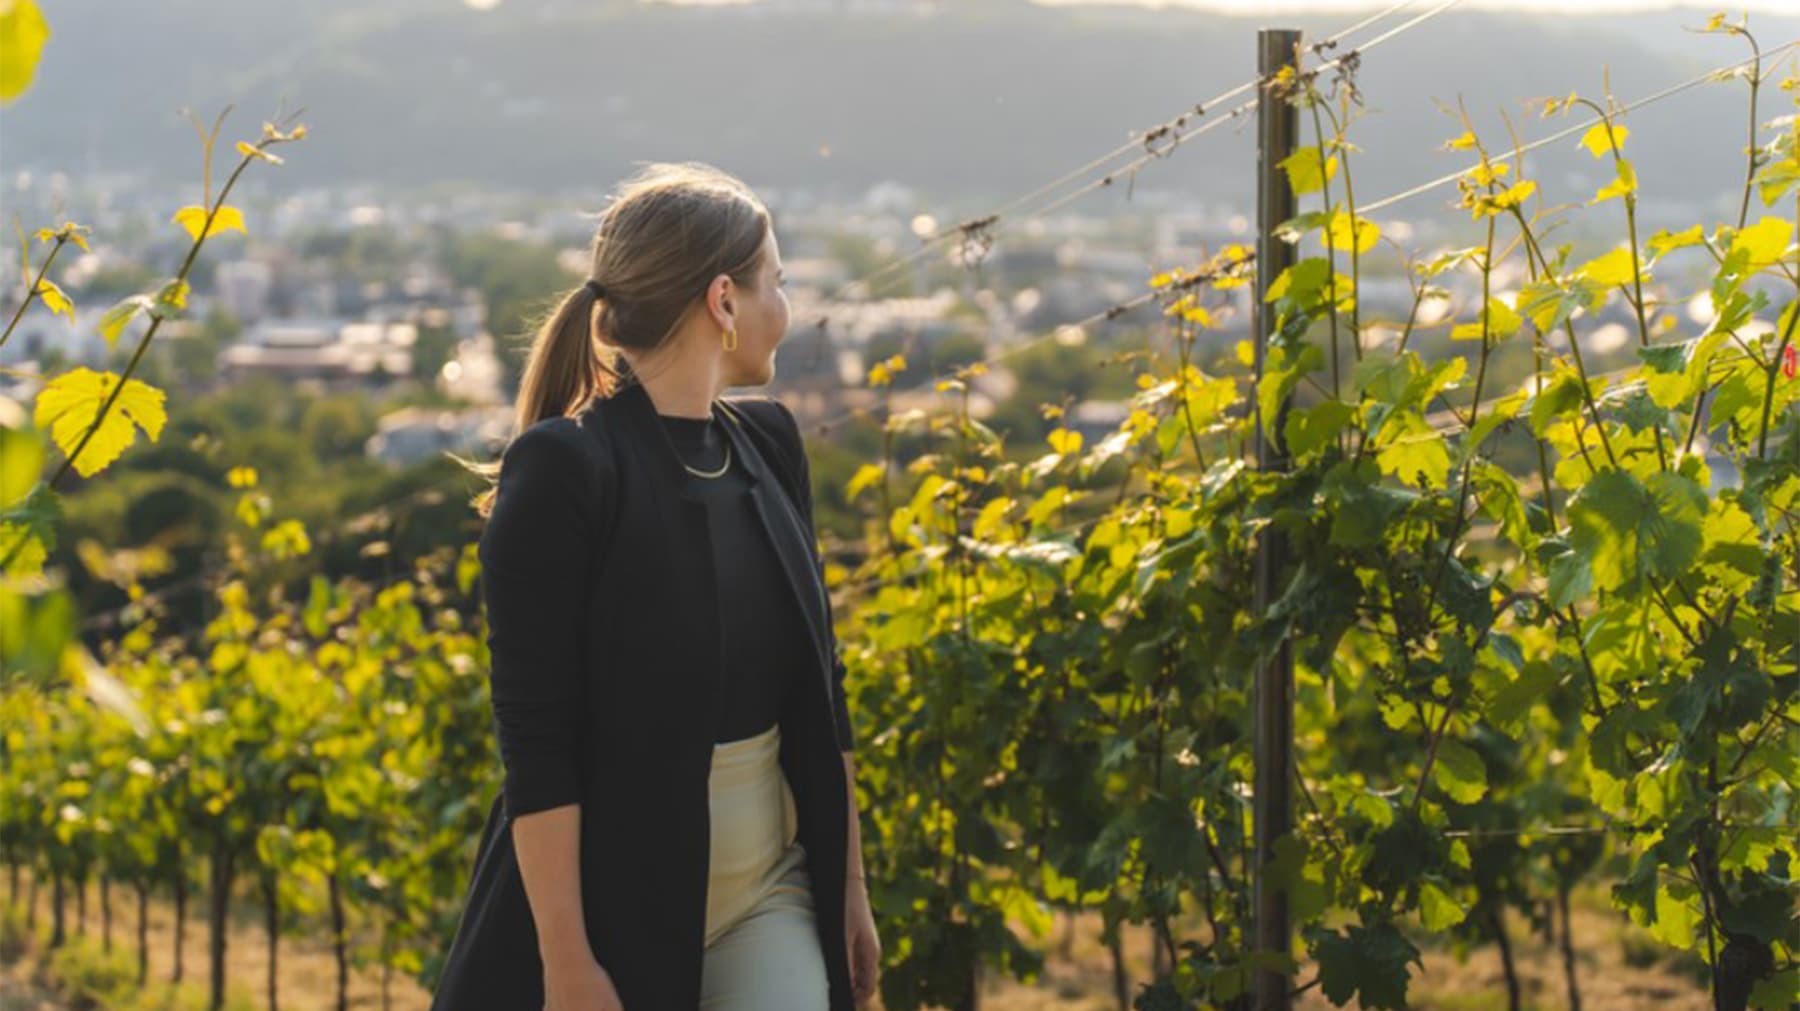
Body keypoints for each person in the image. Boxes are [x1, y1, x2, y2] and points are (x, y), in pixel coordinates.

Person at [433, 162, 881, 1011]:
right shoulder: (566, 468)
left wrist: (849, 885)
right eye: (775, 283)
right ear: (723, 302)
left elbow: (825, 691)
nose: (784, 308)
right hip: (613, 912)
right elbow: (537, 741)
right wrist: (565, 960)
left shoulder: (771, 442)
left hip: (772, 895)